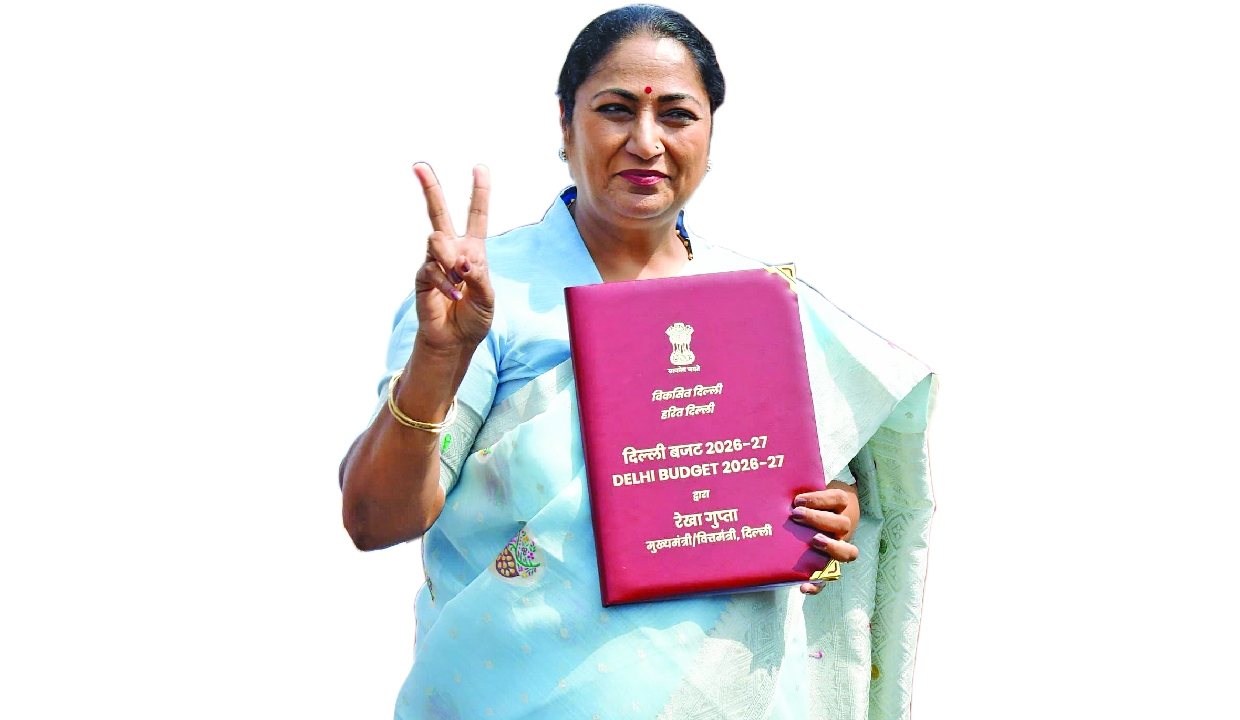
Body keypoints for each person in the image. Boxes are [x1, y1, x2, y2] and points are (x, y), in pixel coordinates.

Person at [339, 6, 937, 719]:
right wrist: (441, 358)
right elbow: (374, 519)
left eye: (677, 115)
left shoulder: (764, 306)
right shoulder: (484, 294)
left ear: (711, 134)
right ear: (566, 126)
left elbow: (819, 491)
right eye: (616, 110)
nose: (646, 142)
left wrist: (832, 513)